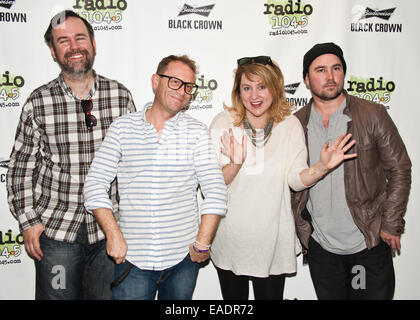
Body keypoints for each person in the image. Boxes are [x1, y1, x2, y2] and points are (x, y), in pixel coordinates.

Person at [6, 10, 136, 300]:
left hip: (107, 232)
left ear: (93, 42)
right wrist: (29, 222)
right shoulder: (38, 102)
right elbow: (19, 168)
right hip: (56, 234)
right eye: (63, 41)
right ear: (53, 51)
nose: (74, 47)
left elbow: (133, 165)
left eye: (80, 38)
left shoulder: (120, 96)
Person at [208, 56, 357, 300]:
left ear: (275, 89)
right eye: (247, 87)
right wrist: (236, 163)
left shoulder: (289, 125)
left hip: (273, 241)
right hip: (230, 239)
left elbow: (295, 179)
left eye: (262, 86)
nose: (254, 95)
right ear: (238, 90)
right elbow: (211, 184)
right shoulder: (223, 123)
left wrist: (321, 167)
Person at [83, 54, 227, 300]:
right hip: (132, 261)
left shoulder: (196, 132)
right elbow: (94, 185)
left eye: (188, 86)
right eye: (174, 81)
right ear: (155, 81)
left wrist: (203, 242)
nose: (182, 90)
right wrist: (113, 234)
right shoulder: (122, 128)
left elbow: (215, 189)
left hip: (183, 260)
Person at [291, 42, 412, 300]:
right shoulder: (296, 123)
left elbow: (400, 168)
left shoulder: (372, 115)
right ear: (306, 79)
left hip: (366, 243)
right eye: (320, 70)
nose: (330, 76)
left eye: (336, 68)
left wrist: (390, 223)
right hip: (323, 247)